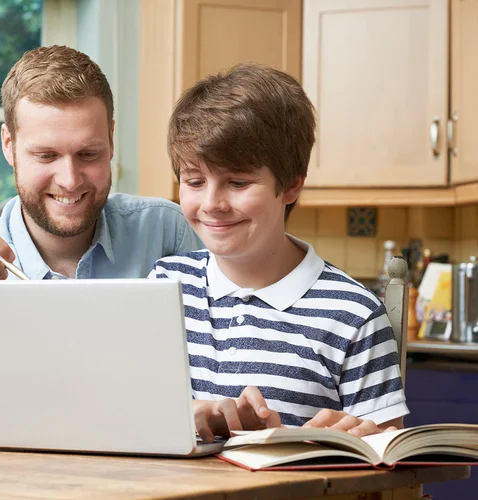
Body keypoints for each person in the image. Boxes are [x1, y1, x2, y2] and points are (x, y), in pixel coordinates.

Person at [0, 45, 201, 435]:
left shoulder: (165, 233)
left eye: (89, 153)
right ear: (9, 146)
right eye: (46, 155)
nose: (70, 180)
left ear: (112, 139)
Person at [150, 63, 408, 443]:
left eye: (237, 182)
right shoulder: (165, 283)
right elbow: (131, 414)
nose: (211, 204)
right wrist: (177, 416)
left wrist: (311, 445)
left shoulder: (353, 315)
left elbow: (388, 462)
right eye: (194, 181)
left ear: (290, 186)